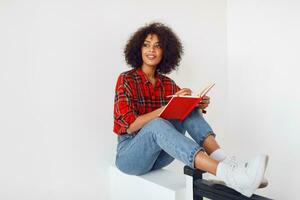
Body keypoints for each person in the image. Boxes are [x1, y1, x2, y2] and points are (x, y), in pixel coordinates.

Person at [113, 22, 268, 197]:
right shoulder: (126, 79)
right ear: (138, 49)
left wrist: (196, 103)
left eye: (157, 46)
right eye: (146, 45)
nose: (151, 50)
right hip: (130, 156)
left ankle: (224, 160)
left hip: (158, 158)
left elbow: (185, 115)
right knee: (157, 124)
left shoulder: (167, 84)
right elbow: (130, 125)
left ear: (165, 52)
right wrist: (165, 109)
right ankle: (228, 174)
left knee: (187, 108)